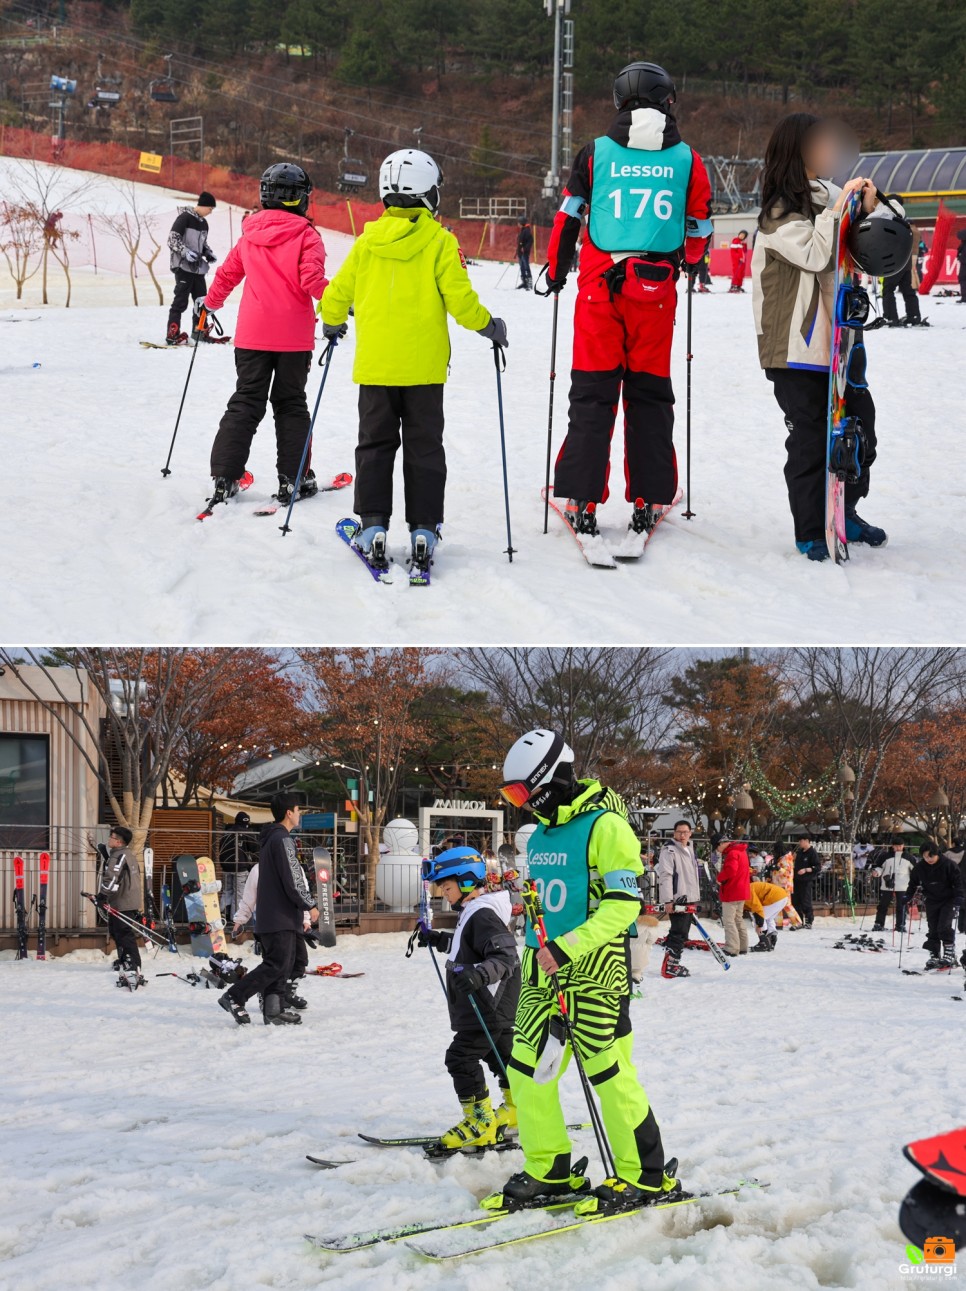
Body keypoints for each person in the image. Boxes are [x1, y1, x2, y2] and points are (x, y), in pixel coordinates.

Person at [493, 728, 678, 1214]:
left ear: (552, 780)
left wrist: (568, 946)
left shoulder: (607, 826)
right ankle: (549, 1168)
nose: (522, 806)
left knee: (608, 1071)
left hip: (595, 970)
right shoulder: (544, 833)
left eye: (523, 793)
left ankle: (646, 1176)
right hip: (542, 971)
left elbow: (623, 905)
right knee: (528, 1069)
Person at [543, 60, 713, 539]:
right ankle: (648, 496)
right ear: (669, 101)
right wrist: (690, 262)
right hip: (655, 294)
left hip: (599, 291)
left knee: (593, 396)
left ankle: (581, 497)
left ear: (619, 102)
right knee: (649, 397)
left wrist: (556, 273)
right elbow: (700, 227)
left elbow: (568, 217)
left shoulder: (595, 153)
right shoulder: (689, 159)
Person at [318, 148, 507, 569]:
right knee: (424, 449)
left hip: (376, 369)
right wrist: (489, 326)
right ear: (428, 195)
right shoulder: (440, 242)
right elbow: (461, 301)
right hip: (424, 373)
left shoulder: (366, 243)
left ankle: (373, 525)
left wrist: (332, 324)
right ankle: (423, 528)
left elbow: (335, 296)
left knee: (374, 446)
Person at [752, 113, 889, 561]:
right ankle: (811, 527)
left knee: (859, 426)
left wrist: (872, 205)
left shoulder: (831, 196)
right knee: (811, 439)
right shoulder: (776, 212)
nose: (831, 151)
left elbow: (877, 236)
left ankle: (845, 510)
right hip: (794, 347)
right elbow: (815, 253)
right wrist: (841, 208)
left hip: (841, 342)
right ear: (799, 152)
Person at [202, 163, 329, 511]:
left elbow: (227, 275)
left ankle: (225, 477)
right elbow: (312, 280)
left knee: (246, 401)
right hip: (293, 339)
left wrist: (209, 305)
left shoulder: (249, 235)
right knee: (290, 404)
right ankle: (295, 477)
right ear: (301, 199)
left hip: (252, 337)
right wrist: (341, 303)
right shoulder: (307, 236)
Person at [414, 846, 521, 1149]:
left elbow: (504, 956)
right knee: (501, 1056)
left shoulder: (482, 913)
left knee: (460, 1058)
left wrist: (479, 976)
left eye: (446, 886)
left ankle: (480, 1121)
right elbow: (470, 949)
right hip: (490, 1004)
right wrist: (439, 939)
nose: (443, 893)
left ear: (464, 882)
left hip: (487, 1002)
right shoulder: (473, 912)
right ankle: (517, 1107)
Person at [218, 792, 318, 1025]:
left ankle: (273, 1010)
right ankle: (234, 996)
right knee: (275, 965)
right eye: (298, 810)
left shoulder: (273, 840)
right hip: (278, 916)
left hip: (279, 916)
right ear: (289, 813)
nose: (300, 814)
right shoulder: (282, 840)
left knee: (282, 966)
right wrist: (309, 904)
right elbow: (294, 878)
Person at [232, 858, 312, 1012]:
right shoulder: (259, 869)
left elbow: (304, 894)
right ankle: (265, 994)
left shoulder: (296, 868)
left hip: (293, 922)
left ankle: (286, 992)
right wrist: (240, 919)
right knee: (274, 965)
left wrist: (306, 919)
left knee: (300, 960)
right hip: (270, 924)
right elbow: (248, 897)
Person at [166, 192, 217, 345]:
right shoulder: (184, 218)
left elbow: (202, 244)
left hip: (197, 269)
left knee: (201, 301)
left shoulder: (204, 224)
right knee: (180, 301)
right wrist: (185, 252)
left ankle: (199, 330)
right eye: (210, 208)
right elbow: (172, 239)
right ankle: (172, 332)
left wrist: (207, 253)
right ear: (202, 205)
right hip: (183, 266)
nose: (211, 211)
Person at [907, 843, 965, 970]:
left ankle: (949, 954)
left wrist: (959, 896)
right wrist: (908, 896)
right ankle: (934, 954)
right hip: (931, 899)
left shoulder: (949, 865)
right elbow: (913, 883)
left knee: (943, 926)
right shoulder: (920, 867)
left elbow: (958, 882)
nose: (928, 859)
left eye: (931, 856)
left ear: (937, 853)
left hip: (948, 900)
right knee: (933, 928)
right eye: (925, 857)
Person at [96, 826, 143, 978]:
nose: (109, 839)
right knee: (117, 931)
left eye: (112, 837)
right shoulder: (126, 854)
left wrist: (102, 895)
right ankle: (125, 960)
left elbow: (112, 878)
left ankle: (134, 964)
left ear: (119, 842)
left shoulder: (119, 856)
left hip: (124, 900)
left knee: (123, 933)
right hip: (126, 899)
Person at [656, 820, 702, 977]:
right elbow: (666, 875)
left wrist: (694, 898)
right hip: (678, 898)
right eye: (679, 832)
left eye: (685, 832)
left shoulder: (689, 848)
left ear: (690, 833)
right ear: (674, 833)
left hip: (689, 898)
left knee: (683, 933)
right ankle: (670, 966)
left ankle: (673, 962)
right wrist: (668, 899)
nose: (682, 835)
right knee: (678, 931)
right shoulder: (669, 850)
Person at [218, 811, 257, 921]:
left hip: (225, 867)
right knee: (239, 893)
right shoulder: (247, 832)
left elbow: (221, 848)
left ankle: (221, 915)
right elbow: (254, 848)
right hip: (240, 867)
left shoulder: (226, 833)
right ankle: (235, 919)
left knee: (227, 891)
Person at [716, 840, 752, 955]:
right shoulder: (741, 851)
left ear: (721, 844)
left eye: (717, 848)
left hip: (732, 891)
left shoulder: (732, 853)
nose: (718, 851)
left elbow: (731, 870)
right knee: (738, 919)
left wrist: (720, 878)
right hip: (741, 890)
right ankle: (742, 946)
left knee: (729, 920)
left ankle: (731, 948)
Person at [746, 878, 801, 950]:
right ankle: (772, 938)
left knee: (761, 918)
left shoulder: (745, 893)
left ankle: (764, 942)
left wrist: (759, 924)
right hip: (782, 896)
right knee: (769, 918)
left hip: (774, 897)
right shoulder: (748, 888)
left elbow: (757, 909)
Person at [871, 840, 913, 932]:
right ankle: (878, 923)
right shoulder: (885, 856)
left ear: (903, 845)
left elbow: (915, 870)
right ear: (892, 846)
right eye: (896, 846)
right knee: (883, 905)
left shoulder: (909, 857)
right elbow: (879, 867)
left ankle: (900, 925)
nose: (898, 848)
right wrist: (876, 872)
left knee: (901, 906)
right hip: (887, 884)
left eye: (900, 846)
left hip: (903, 885)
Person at [883, 249, 923, 327]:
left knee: (888, 289)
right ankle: (913, 315)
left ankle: (891, 317)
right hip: (906, 261)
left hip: (893, 263)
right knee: (907, 289)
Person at [792, 833, 820, 927]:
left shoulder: (812, 852)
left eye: (801, 841)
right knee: (796, 901)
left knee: (806, 901)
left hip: (806, 880)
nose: (800, 843)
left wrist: (806, 870)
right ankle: (799, 921)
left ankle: (809, 921)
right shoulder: (799, 852)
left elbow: (817, 866)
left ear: (807, 841)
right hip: (796, 880)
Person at [516, 217, 534, 290]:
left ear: (522, 223)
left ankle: (529, 283)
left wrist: (525, 248)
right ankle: (524, 282)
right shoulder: (523, 230)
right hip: (520, 253)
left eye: (519, 223)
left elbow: (530, 241)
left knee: (526, 267)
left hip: (524, 253)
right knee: (522, 267)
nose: (518, 224)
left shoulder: (527, 231)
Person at [956, 229, 966, 304]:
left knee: (962, 279)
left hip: (964, 265)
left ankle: (964, 297)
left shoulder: (964, 245)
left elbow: (962, 256)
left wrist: (959, 257)